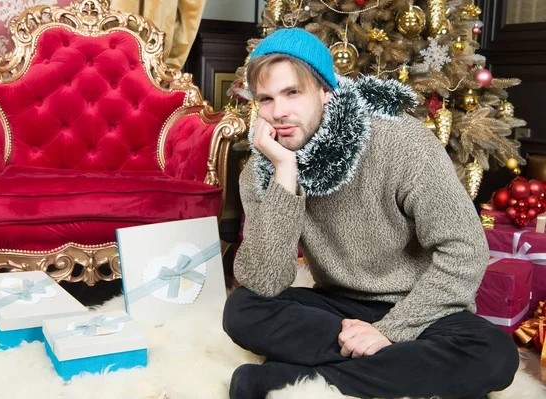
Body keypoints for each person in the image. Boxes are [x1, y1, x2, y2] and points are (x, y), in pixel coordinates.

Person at [222, 28, 519, 399]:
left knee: (495, 356)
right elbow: (266, 281)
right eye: (265, 99)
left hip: (419, 307)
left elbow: (465, 250)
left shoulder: (400, 142)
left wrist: (390, 332)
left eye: (292, 93)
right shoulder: (264, 166)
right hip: (335, 306)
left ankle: (283, 380)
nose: (278, 112)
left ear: (326, 91)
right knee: (242, 309)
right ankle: (392, 370)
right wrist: (285, 173)